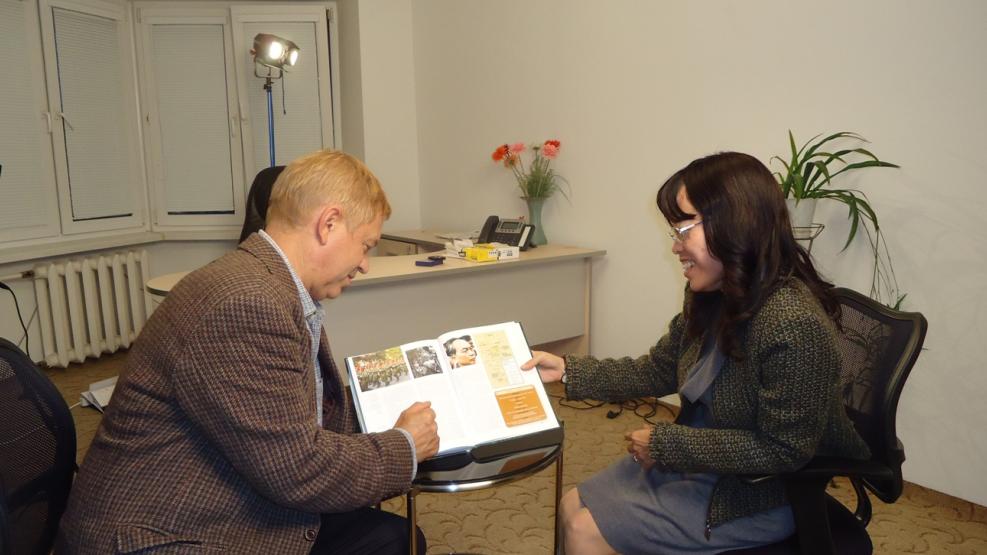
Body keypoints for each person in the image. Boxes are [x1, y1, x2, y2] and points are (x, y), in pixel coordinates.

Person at [57, 150, 440, 554]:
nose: (364, 264)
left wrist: (378, 407)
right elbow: (297, 470)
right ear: (328, 224)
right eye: (365, 246)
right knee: (390, 542)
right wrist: (405, 446)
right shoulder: (246, 302)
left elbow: (306, 411)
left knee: (394, 539)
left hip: (217, 491)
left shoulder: (266, 283)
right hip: (162, 534)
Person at [522, 152, 871, 554]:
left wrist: (669, 446)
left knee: (585, 529)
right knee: (571, 505)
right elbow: (659, 369)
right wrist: (567, 369)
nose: (675, 247)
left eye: (683, 230)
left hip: (756, 493)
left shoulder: (792, 323)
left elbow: (784, 449)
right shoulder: (713, 293)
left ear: (734, 225)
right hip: (703, 460)